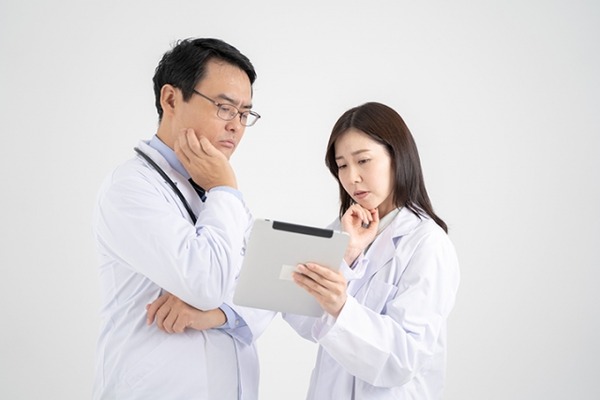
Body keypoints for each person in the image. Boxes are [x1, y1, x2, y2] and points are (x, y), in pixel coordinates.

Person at [92, 38, 272, 400]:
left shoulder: (220, 195)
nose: (236, 126)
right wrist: (224, 188)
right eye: (225, 108)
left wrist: (217, 314)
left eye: (244, 114)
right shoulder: (131, 188)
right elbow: (206, 282)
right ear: (171, 99)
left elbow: (267, 294)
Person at [285, 102, 460, 399]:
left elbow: (404, 359)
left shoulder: (426, 243)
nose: (352, 177)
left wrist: (341, 307)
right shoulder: (340, 232)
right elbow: (303, 322)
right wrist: (346, 255)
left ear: (397, 157)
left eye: (363, 160)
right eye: (342, 165)